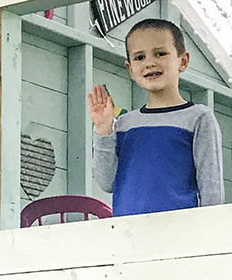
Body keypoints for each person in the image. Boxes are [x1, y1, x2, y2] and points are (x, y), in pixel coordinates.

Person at [88, 18, 224, 216]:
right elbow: (106, 181)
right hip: (128, 233)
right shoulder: (125, 124)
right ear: (130, 69)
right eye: (139, 57)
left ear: (183, 61)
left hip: (180, 231)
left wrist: (210, 233)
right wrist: (103, 129)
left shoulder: (198, 117)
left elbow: (211, 187)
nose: (150, 63)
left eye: (160, 53)